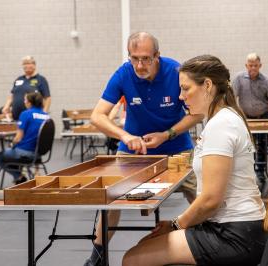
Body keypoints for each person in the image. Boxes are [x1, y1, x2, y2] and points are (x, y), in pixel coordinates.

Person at [122, 55, 266, 266]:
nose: (181, 96)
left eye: (186, 88)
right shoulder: (224, 118)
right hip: (235, 228)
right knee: (144, 246)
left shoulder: (221, 124)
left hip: (232, 235)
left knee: (132, 259)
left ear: (207, 85)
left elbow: (210, 200)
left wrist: (174, 225)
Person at [84, 32, 203, 266]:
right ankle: (96, 257)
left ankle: (207, 241)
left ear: (157, 56)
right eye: (134, 58)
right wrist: (126, 136)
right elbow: (97, 116)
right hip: (132, 150)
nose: (139, 65)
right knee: (109, 200)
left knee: (198, 194)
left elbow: (198, 113)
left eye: (146, 59)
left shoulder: (177, 72)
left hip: (177, 148)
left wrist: (166, 135)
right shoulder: (123, 74)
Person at [232, 53, 268, 188]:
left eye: (256, 65)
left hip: (263, 116)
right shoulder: (239, 79)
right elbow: (233, 97)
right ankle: (247, 171)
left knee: (262, 145)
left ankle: (261, 172)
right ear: (246, 66)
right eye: (250, 65)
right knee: (246, 145)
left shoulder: (266, 81)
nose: (253, 68)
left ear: (260, 66)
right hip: (246, 117)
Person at [0, 92, 50, 184]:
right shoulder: (46, 116)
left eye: (25, 100)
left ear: (29, 102)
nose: (24, 102)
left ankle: (19, 176)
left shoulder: (25, 114)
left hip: (25, 153)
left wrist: (11, 144)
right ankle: (19, 178)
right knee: (12, 154)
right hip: (39, 154)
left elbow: (18, 138)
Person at [2, 56, 51, 121]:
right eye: (24, 64)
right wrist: (6, 106)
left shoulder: (41, 79)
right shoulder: (18, 79)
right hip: (16, 117)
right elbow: (12, 95)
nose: (26, 65)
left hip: (32, 118)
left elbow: (48, 98)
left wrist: (44, 113)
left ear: (34, 65)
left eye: (29, 63)